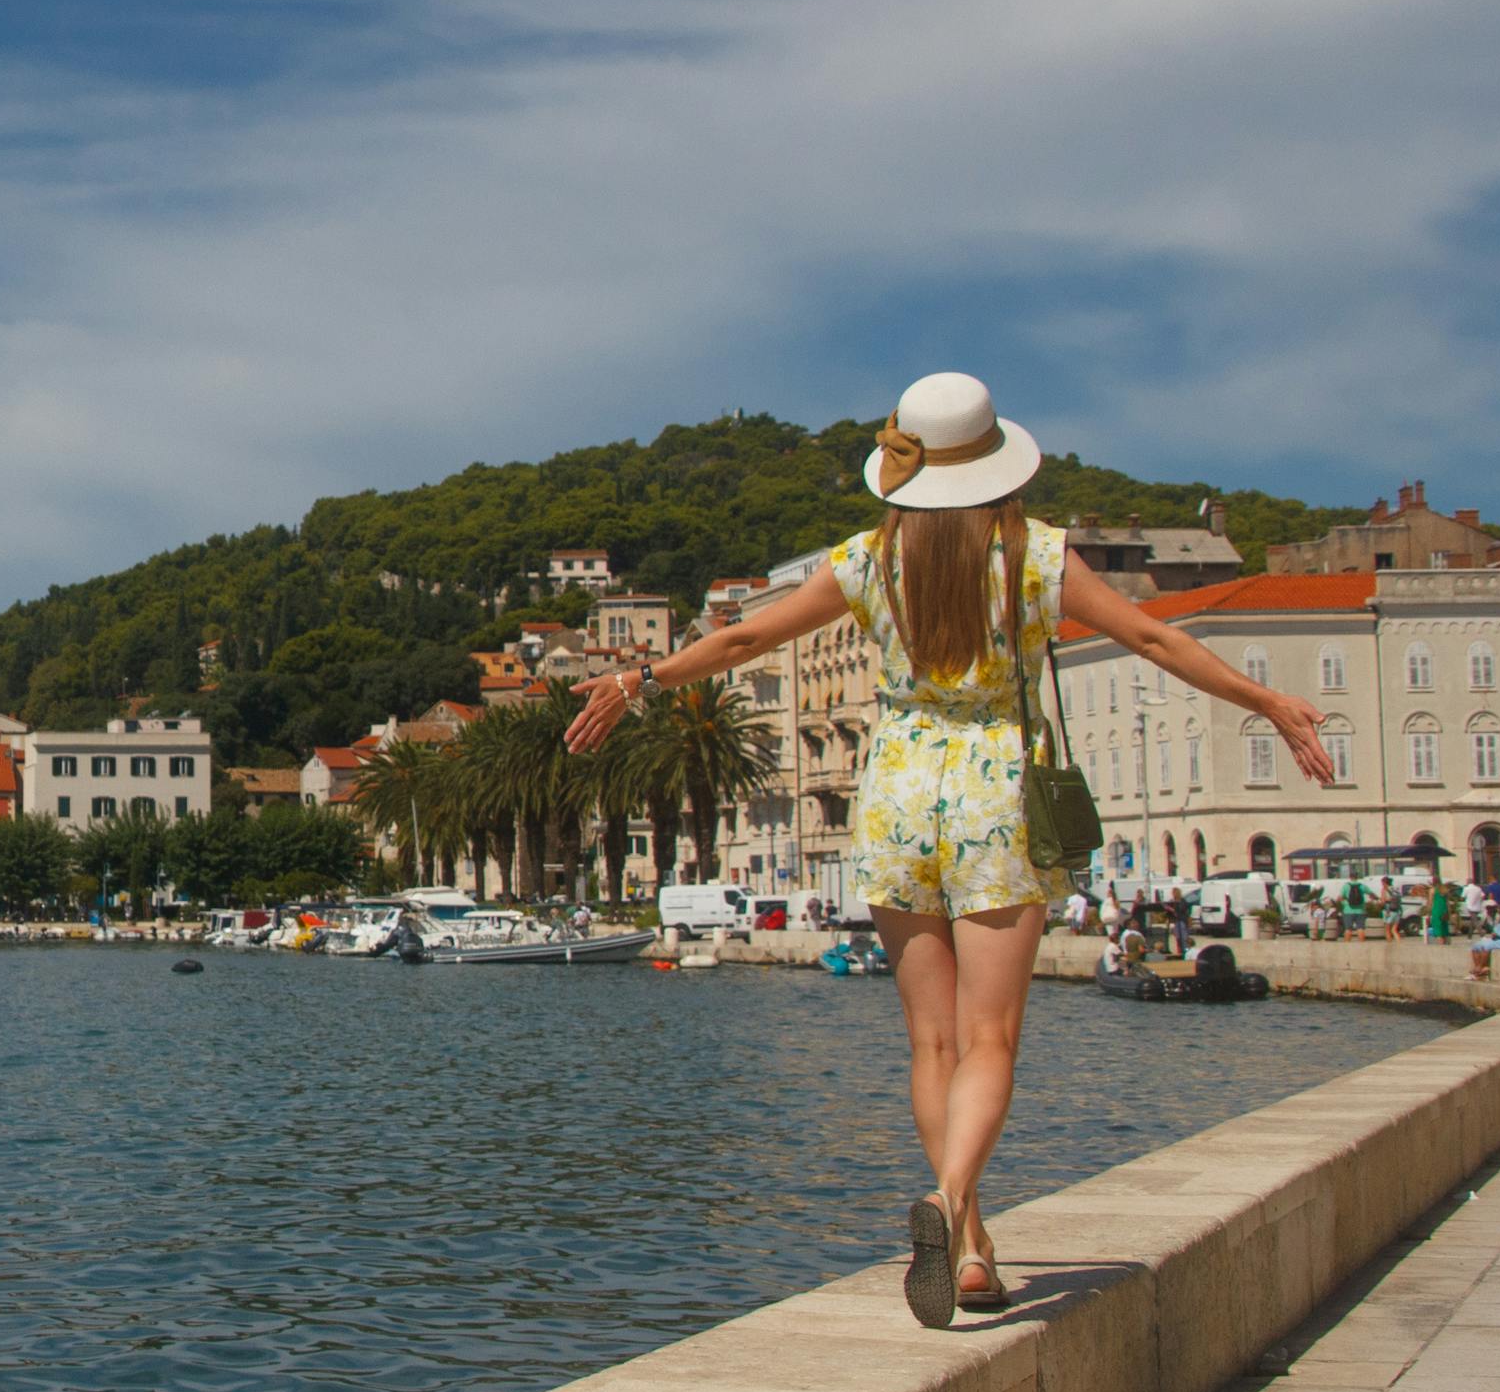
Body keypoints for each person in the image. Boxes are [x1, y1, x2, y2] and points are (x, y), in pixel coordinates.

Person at [567, 372, 1336, 1328]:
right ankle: (950, 1204)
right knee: (989, 1038)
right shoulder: (1035, 556)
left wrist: (640, 679)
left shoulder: (865, 561)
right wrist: (1265, 701)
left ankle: (973, 1248)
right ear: (997, 465)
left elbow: (742, 642)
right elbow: (1150, 636)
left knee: (929, 1040)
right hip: (997, 799)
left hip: (894, 799)